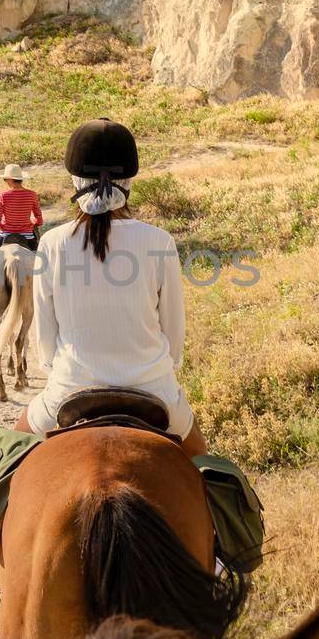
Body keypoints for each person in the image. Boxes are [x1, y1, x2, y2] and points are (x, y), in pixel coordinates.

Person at [14, 118, 208, 458]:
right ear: (129, 180)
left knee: (7, 460)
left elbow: (45, 338)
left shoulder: (54, 243)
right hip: (154, 391)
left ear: (75, 178)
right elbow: (174, 336)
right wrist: (157, 370)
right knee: (211, 475)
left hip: (70, 390)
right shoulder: (159, 242)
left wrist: (57, 370)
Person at [0, 163, 43, 258]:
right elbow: (39, 218)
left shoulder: (3, 196)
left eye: (5, 179)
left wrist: (5, 228)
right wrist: (34, 223)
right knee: (41, 259)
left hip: (7, 233)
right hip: (28, 235)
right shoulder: (32, 195)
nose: (5, 182)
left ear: (11, 180)